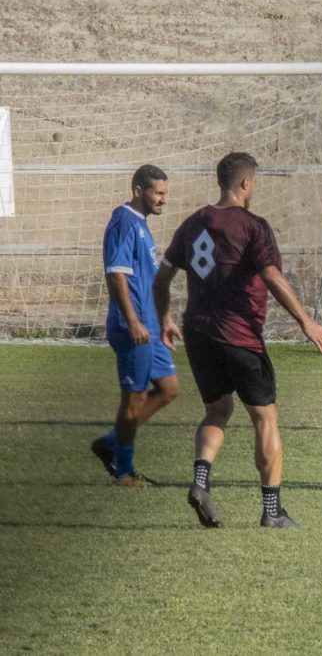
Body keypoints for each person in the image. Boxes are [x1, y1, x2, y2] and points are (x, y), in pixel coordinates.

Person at [153, 152, 322, 529]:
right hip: (240, 336)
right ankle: (272, 511)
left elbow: (161, 279)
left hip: (199, 335)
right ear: (246, 184)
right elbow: (270, 275)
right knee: (265, 418)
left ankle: (200, 481)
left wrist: (163, 320)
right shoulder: (253, 226)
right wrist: (306, 322)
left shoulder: (192, 223)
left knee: (217, 411)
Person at [92, 165, 180, 487]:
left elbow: (148, 282)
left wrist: (164, 319)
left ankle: (112, 442)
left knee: (169, 389)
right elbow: (116, 274)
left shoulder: (142, 225)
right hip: (133, 328)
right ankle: (123, 470)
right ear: (137, 190)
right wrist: (132, 321)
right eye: (157, 193)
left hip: (151, 327)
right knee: (133, 400)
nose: (162, 200)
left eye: (164, 194)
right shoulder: (124, 221)